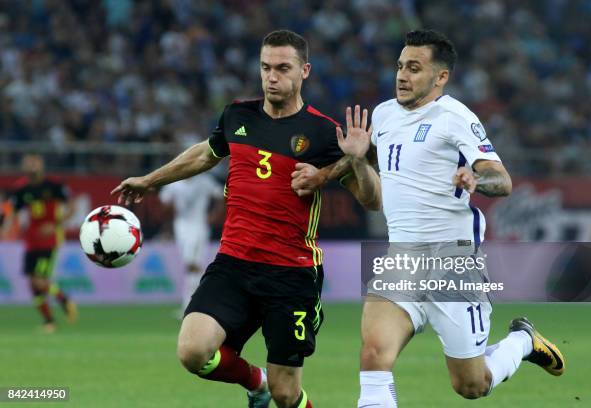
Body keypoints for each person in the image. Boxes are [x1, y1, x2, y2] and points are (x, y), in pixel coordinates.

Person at [292, 30, 565, 406]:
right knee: (373, 355)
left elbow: (502, 180)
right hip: (400, 258)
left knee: (472, 385)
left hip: (452, 263)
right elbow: (373, 156)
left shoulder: (455, 118)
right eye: (400, 66)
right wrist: (326, 174)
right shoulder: (385, 114)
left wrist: (475, 178)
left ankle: (522, 341)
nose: (402, 75)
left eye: (414, 68)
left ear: (440, 77)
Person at [111, 29, 378, 408]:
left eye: (283, 68)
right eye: (266, 67)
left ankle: (273, 389)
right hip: (233, 264)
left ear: (305, 71)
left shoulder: (323, 132)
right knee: (192, 351)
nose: (272, 77)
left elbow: (372, 201)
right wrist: (151, 181)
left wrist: (357, 160)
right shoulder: (238, 114)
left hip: (290, 274)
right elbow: (205, 154)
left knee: (288, 394)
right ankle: (256, 383)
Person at [2, 154, 77, 333]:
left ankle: (64, 299)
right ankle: (49, 321)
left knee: (39, 280)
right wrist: (5, 228)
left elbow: (72, 207)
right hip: (31, 241)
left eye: (35, 162)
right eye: (28, 163)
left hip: (49, 241)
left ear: (42, 165)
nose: (32, 166)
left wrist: (56, 225)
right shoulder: (21, 189)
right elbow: (11, 212)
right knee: (32, 284)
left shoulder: (54, 185)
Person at [158, 173, 223, 316]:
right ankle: (198, 302)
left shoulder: (204, 180)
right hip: (181, 226)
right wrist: (170, 207)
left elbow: (220, 195)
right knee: (191, 265)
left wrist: (214, 216)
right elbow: (164, 204)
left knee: (193, 264)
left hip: (200, 225)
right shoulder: (174, 183)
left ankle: (189, 304)